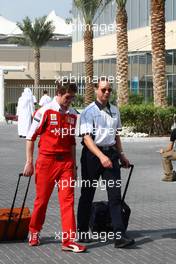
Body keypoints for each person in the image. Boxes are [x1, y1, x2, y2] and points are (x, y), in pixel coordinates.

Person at [23, 81, 86, 253]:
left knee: (68, 201)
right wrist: (29, 162)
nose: (70, 101)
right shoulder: (44, 111)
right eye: (67, 97)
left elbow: (72, 142)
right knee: (41, 200)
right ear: (58, 93)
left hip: (66, 162)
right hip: (46, 162)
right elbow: (30, 137)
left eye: (72, 98)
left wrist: (74, 166)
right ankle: (34, 231)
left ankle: (69, 241)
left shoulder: (73, 114)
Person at [77, 78, 135, 248]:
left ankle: (119, 236)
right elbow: (86, 138)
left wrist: (122, 155)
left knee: (115, 197)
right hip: (92, 155)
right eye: (103, 90)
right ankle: (82, 231)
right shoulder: (88, 111)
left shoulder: (115, 110)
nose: (107, 93)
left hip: (111, 154)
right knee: (87, 194)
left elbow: (116, 135)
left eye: (109, 90)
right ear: (96, 90)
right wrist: (101, 157)